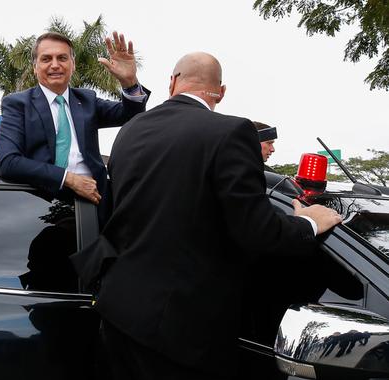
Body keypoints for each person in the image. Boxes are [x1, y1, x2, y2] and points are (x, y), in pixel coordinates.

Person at [71, 52, 343, 380]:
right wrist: (310, 221)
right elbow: (256, 230)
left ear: (172, 83)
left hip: (116, 314)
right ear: (222, 91)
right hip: (180, 336)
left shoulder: (131, 130)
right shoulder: (231, 132)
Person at [0, 31, 150, 218]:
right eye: (46, 59)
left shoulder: (86, 100)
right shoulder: (18, 104)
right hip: (42, 209)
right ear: (35, 67)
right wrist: (68, 179)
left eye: (62, 58)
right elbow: (8, 162)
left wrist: (129, 81)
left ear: (73, 64)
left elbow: (131, 116)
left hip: (95, 206)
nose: (55, 65)